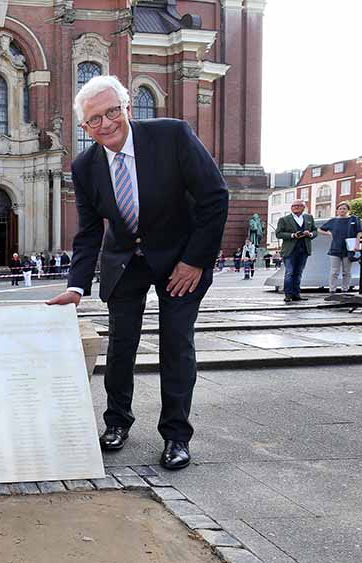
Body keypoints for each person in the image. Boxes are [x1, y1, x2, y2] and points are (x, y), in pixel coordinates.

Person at [47, 75, 228, 470]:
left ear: (127, 108)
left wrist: (195, 260)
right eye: (95, 119)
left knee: (176, 344)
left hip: (180, 258)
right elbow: (90, 231)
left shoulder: (173, 136)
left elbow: (215, 196)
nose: (106, 123)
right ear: (85, 128)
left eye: (112, 111)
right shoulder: (85, 166)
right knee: (121, 346)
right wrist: (76, 287)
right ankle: (117, 423)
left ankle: (176, 435)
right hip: (125, 260)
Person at [276, 200, 316, 302]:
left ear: (304, 207)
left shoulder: (309, 218)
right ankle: (288, 294)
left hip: (304, 249)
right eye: (294, 206)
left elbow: (315, 230)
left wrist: (310, 234)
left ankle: (296, 293)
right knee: (290, 272)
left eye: (298, 206)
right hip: (290, 250)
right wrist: (293, 235)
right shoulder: (284, 219)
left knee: (298, 273)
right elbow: (279, 234)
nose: (296, 207)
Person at [318, 202, 362, 293]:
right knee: (334, 271)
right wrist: (328, 233)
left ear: (347, 210)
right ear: (337, 210)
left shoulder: (354, 219)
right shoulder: (333, 221)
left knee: (347, 271)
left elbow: (359, 232)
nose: (342, 210)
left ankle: (345, 289)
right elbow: (320, 229)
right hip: (335, 248)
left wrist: (357, 244)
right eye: (340, 209)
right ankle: (332, 289)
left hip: (349, 248)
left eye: (344, 208)